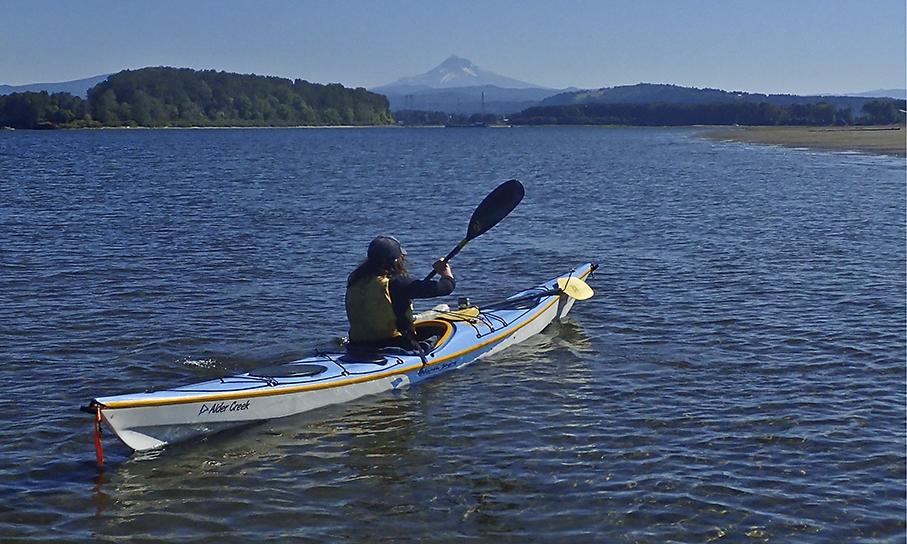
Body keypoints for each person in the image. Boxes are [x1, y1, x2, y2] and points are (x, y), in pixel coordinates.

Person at [345, 235, 454, 349]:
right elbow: (446, 287)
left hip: (357, 345)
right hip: (393, 345)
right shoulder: (397, 284)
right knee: (440, 332)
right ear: (396, 260)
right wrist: (446, 272)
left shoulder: (354, 280)